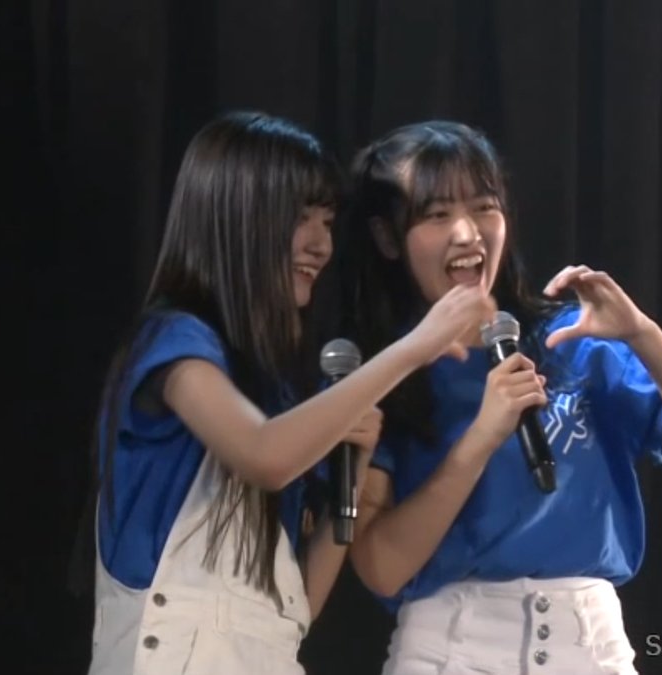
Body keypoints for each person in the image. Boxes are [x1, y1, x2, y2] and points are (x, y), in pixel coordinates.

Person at [85, 112, 494, 675]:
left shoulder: (275, 388)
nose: (320, 244)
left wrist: (355, 470)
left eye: (327, 221)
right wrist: (413, 348)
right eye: (300, 218)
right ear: (236, 218)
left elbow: (295, 604)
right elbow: (264, 456)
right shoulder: (175, 340)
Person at [338, 120, 662, 674]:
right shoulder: (387, 374)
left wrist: (643, 335)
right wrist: (482, 436)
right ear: (388, 238)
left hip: (591, 645)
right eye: (436, 215)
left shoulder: (569, 338)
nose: (467, 233)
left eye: (484, 207)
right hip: (451, 649)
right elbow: (381, 569)